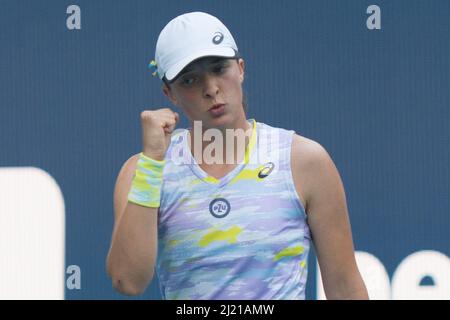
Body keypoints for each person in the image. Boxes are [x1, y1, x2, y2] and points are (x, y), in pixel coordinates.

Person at [106, 11, 369, 300]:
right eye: (190, 80)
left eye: (219, 69)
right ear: (169, 94)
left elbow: (344, 286)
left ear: (240, 69)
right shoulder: (143, 170)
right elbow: (127, 281)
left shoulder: (304, 161)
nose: (211, 89)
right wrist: (153, 161)